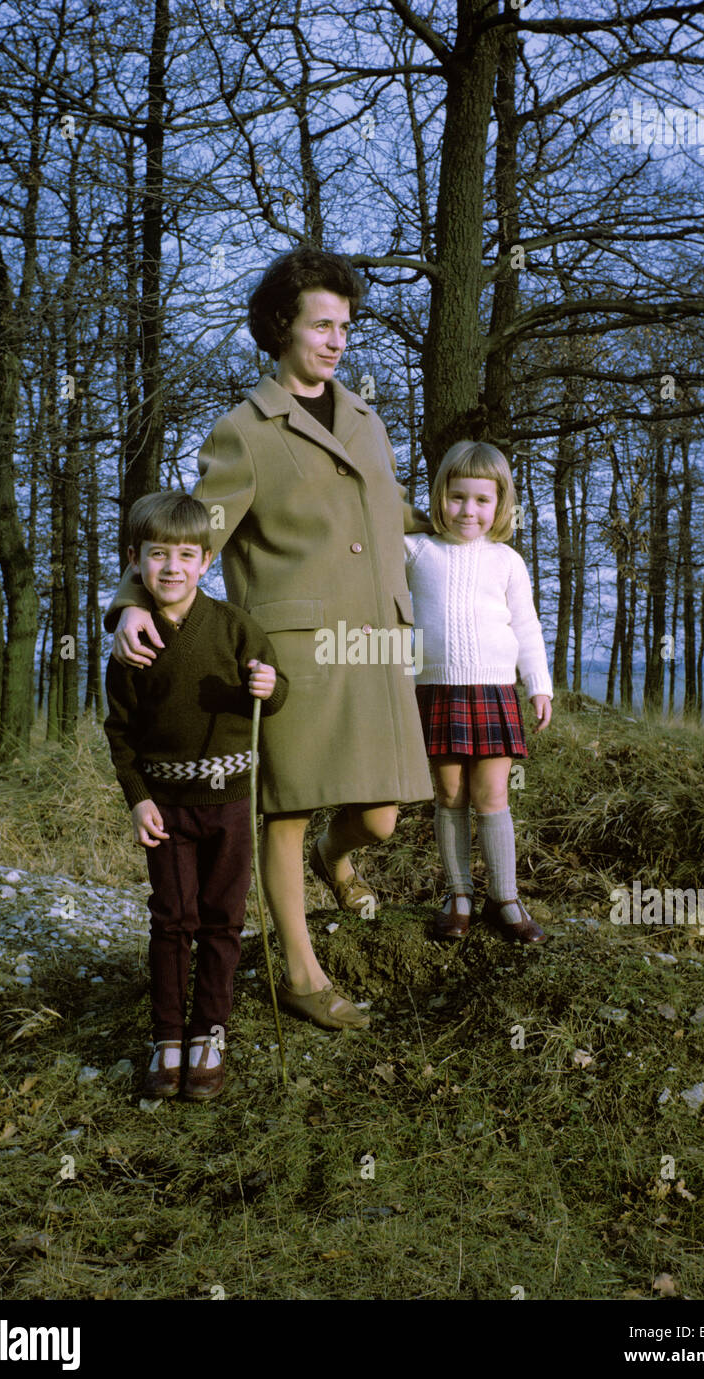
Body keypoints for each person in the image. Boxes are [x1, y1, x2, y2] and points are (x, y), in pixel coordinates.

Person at [104, 248, 433, 1032]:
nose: (337, 340)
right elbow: (189, 533)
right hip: (295, 655)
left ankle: (335, 861)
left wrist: (470, 534)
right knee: (285, 813)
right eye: (322, 324)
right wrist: (126, 602)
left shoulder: (368, 420)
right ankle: (301, 972)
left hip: (379, 646)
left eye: (345, 326)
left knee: (381, 815)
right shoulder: (243, 432)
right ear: (281, 326)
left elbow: (396, 517)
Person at [103, 491, 288, 1100]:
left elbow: (276, 685)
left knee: (222, 920)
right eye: (159, 555)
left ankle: (211, 1031)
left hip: (231, 802)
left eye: (186, 555)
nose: (173, 568)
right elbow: (121, 733)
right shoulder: (133, 644)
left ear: (206, 560)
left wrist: (269, 683)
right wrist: (137, 798)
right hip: (167, 808)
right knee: (171, 920)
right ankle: (167, 1037)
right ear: (137, 560)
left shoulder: (235, 627)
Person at [404, 441, 553, 943]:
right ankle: (459, 894)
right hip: (436, 688)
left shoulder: (507, 561)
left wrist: (539, 684)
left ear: (500, 505)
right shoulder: (415, 550)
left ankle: (504, 898)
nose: (468, 510)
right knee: (450, 794)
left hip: (493, 691)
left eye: (482, 500)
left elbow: (527, 627)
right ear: (439, 496)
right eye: (457, 496)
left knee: (491, 796)